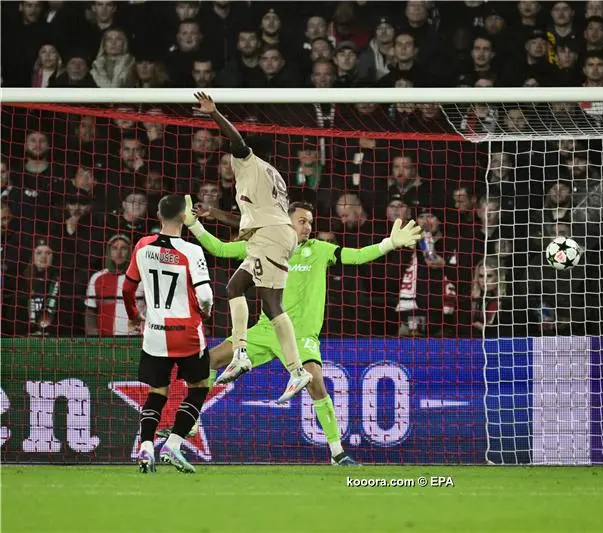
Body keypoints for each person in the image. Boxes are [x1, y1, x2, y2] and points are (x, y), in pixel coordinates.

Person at [167, 198, 421, 465]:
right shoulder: (263, 247)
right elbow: (218, 249)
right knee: (208, 360)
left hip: (301, 337)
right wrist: (194, 224)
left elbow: (356, 256)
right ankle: (192, 419)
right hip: (266, 330)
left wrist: (390, 243)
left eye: (310, 222)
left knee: (316, 383)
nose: (308, 227)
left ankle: (337, 452)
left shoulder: (320, 250)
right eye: (302, 221)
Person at [191, 92, 311, 404]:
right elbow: (248, 221)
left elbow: (238, 140)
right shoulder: (268, 177)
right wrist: (213, 213)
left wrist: (214, 114)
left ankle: (297, 370)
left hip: (271, 237)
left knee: (272, 305)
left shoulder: (247, 162)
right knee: (235, 287)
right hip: (268, 235)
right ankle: (241, 352)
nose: (226, 165)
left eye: (227, 160)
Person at [122, 195, 214, 474]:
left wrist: (133, 317)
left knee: (157, 391)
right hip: (187, 332)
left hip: (155, 333)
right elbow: (206, 294)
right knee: (199, 387)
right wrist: (206, 311)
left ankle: (146, 446)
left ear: (159, 216)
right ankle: (173, 444)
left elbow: (128, 290)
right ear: (185, 216)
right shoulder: (191, 250)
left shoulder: (141, 246)